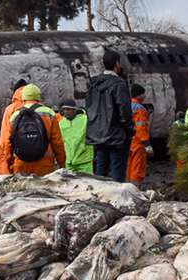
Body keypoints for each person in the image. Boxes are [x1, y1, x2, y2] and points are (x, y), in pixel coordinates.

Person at [85, 50, 133, 182]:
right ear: (117, 64)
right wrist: (129, 130)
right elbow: (124, 110)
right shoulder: (118, 84)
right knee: (117, 172)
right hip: (116, 134)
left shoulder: (93, 84)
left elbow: (89, 106)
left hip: (97, 134)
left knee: (101, 172)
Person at [2, 84, 65, 176]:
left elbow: (6, 143)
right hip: (44, 164)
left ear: (23, 98)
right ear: (39, 97)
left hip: (21, 164)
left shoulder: (15, 115)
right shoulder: (49, 113)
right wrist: (62, 163)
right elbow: (57, 142)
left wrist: (7, 166)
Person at [57, 99, 94, 174]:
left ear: (74, 110)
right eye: (64, 110)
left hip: (84, 161)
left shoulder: (86, 119)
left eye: (68, 109)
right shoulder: (61, 123)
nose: (65, 112)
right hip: (69, 163)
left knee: (87, 184)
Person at [0, 79, 29, 169]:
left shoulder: (11, 109)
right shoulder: (44, 110)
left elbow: (5, 140)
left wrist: (6, 163)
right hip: (43, 162)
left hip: (19, 160)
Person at [126, 84, 152, 184]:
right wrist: (146, 143)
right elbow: (141, 127)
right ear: (138, 95)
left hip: (128, 141)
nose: (144, 96)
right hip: (138, 142)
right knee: (137, 166)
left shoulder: (127, 106)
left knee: (128, 165)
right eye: (143, 94)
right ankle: (135, 187)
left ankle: (127, 185)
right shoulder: (140, 109)